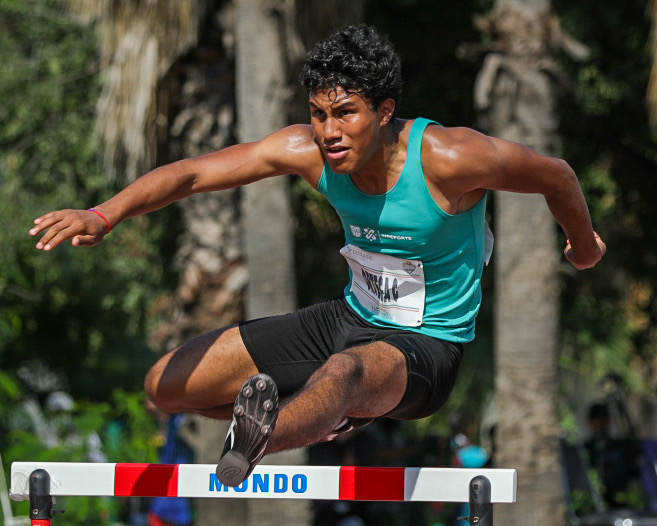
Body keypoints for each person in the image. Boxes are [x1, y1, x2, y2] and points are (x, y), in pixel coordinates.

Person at [28, 25, 606, 487]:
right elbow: (198, 173)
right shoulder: (308, 151)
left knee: (346, 372)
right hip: (347, 318)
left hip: (427, 347)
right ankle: (308, 412)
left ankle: (264, 437)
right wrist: (104, 214)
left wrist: (583, 246)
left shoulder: (450, 158)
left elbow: (554, 175)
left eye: (345, 113)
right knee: (166, 386)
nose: (329, 132)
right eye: (318, 113)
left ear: (384, 110)